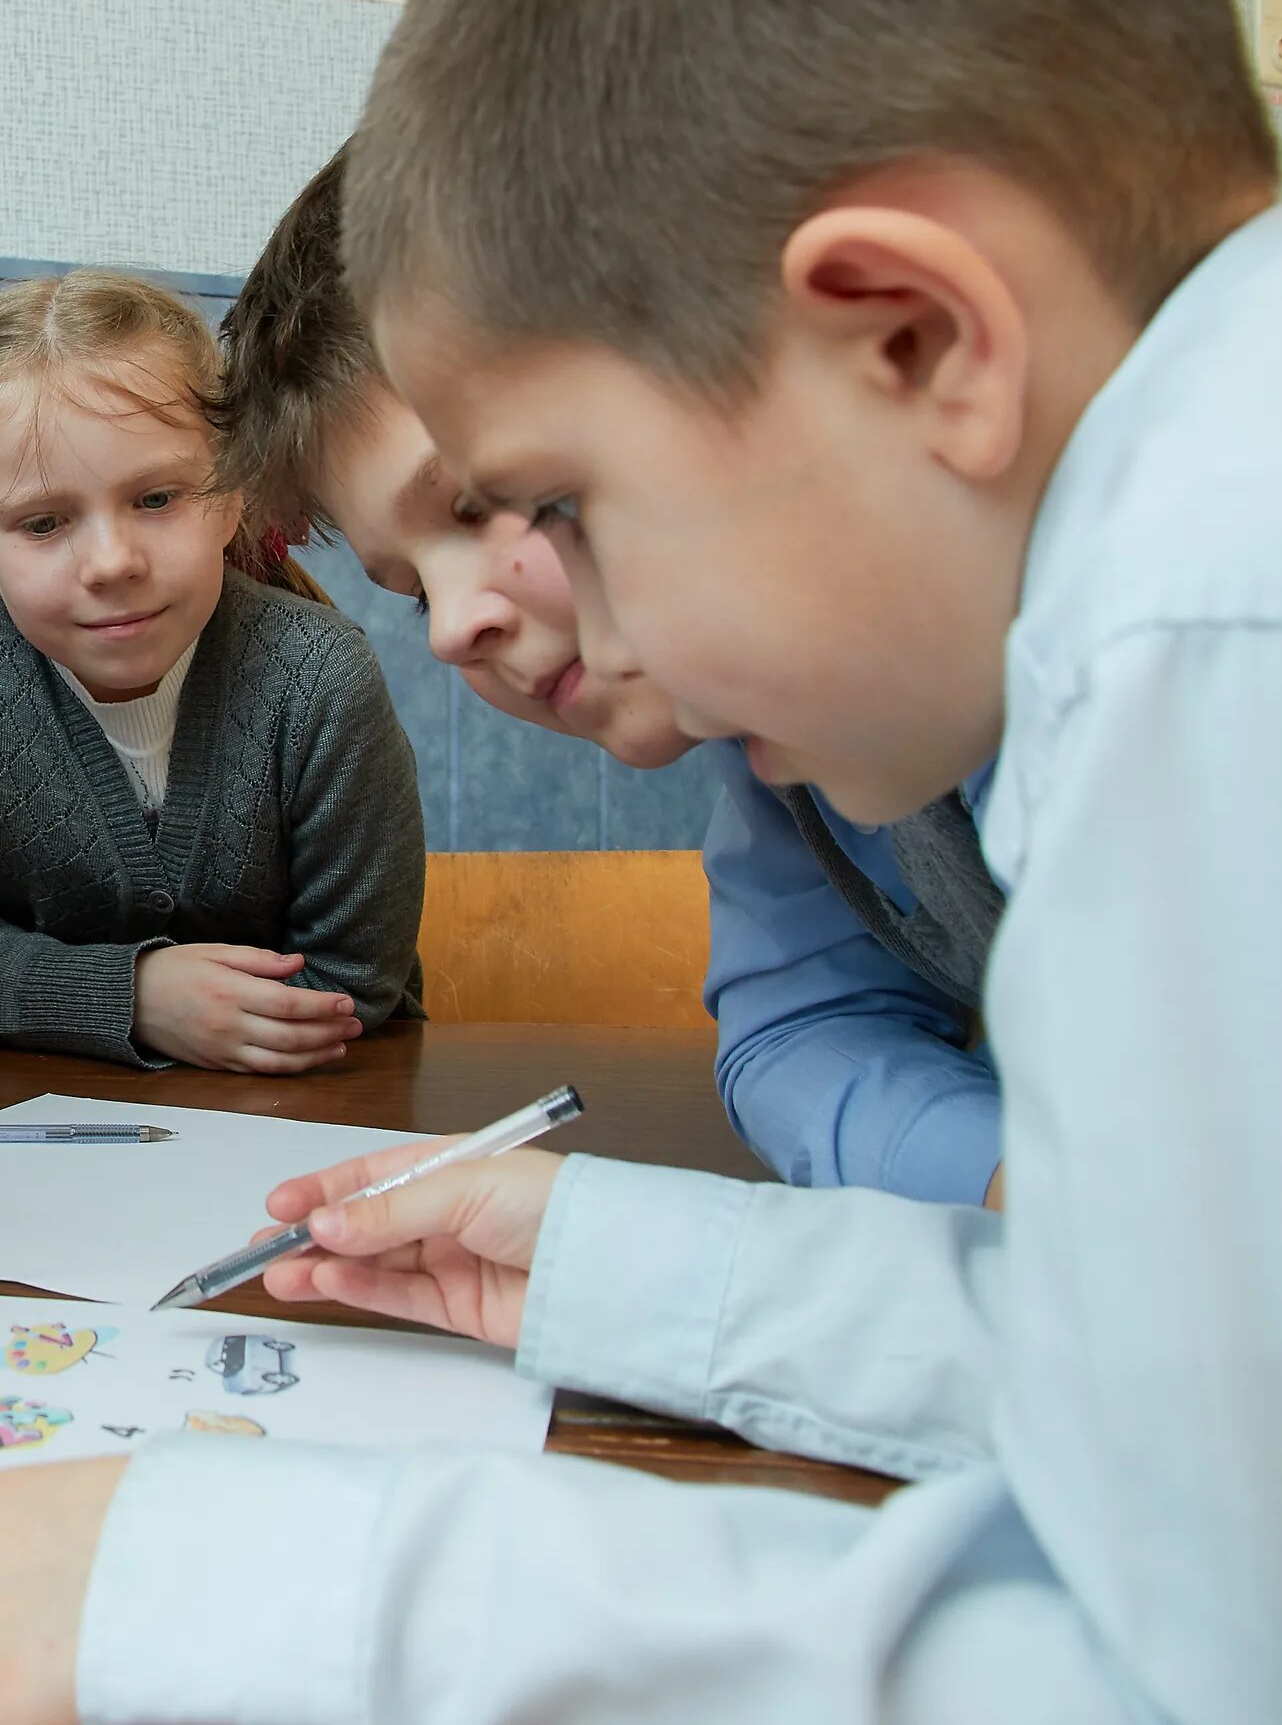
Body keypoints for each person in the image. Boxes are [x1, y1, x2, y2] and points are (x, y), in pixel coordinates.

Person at [0, 0, 1282, 1717]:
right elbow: (1160, 1376)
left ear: (917, 339)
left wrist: (263, 1596)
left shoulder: (1260, 618)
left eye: (572, 505)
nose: (582, 626)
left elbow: (1256, 1675)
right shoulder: (1274, 507)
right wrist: (644, 1269)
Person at [216, 144, 1007, 1203]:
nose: (452, 628)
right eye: (411, 590)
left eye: (483, 498)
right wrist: (1008, 1187)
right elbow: (798, 1028)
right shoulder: (761, 735)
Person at [0, 270, 424, 1072]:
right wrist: (135, 997)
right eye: (44, 522)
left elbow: (356, 982)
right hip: (48, 1147)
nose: (112, 562)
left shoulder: (320, 681)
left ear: (234, 493)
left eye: (156, 499)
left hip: (313, 1121)